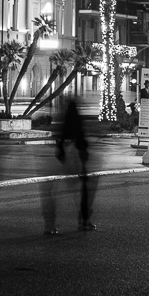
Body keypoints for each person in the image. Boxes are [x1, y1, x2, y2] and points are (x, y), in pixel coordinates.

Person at [42, 94, 96, 234]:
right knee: (85, 189)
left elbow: (58, 137)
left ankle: (49, 224)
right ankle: (84, 220)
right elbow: (81, 139)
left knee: (51, 191)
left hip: (62, 156)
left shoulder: (62, 122)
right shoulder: (77, 121)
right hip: (76, 157)